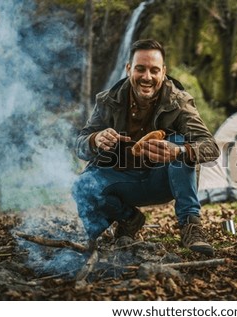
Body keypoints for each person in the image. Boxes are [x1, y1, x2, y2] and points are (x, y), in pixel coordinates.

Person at [72, 39, 220, 256]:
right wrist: (95, 139)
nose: (147, 77)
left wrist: (178, 151)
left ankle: (191, 225)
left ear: (163, 72)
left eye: (154, 70)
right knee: (81, 187)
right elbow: (79, 144)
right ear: (129, 68)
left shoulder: (179, 101)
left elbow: (211, 147)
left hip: (162, 181)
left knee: (180, 143)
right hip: (123, 181)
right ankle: (129, 219)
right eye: (140, 69)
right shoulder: (108, 101)